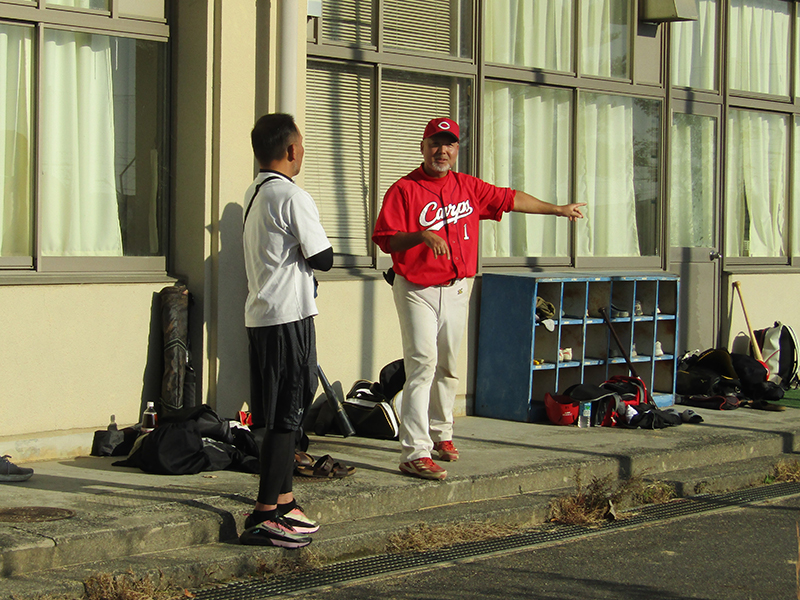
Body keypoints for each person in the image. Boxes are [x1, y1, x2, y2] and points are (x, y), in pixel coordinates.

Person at [372, 117, 585, 481]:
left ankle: (442, 434)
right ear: (423, 147)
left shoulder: (467, 187)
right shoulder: (404, 190)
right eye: (435, 143)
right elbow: (386, 239)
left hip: (457, 287)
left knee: (449, 365)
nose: (442, 150)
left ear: (457, 150)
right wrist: (421, 236)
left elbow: (510, 198)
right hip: (416, 289)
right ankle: (413, 451)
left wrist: (558, 210)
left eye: (449, 144)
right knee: (422, 363)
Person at [239, 113, 333, 548]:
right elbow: (323, 258)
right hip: (288, 317)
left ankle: (286, 501)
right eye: (302, 144)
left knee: (275, 412)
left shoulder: (254, 192)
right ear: (292, 149)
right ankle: (263, 514)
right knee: (286, 417)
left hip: (261, 315)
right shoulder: (292, 196)